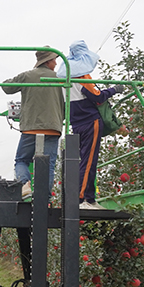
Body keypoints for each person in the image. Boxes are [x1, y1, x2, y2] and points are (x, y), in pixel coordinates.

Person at [57, 40, 124, 210]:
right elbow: (97, 96)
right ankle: (84, 199)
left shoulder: (65, 76)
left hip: (76, 123)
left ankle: (88, 198)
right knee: (89, 162)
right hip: (90, 121)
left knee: (84, 160)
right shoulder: (82, 75)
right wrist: (115, 90)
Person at [2, 48, 64, 200]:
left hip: (31, 127)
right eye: (54, 60)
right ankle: (45, 197)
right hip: (53, 127)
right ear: (48, 61)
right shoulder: (61, 78)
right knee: (48, 165)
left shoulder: (27, 76)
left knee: (22, 160)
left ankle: (25, 185)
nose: (56, 63)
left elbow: (6, 87)